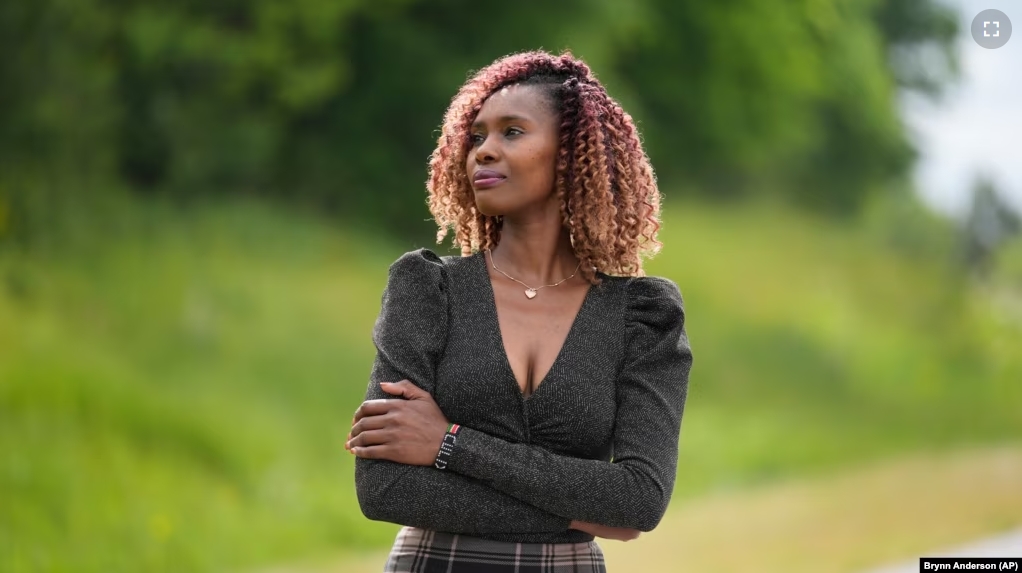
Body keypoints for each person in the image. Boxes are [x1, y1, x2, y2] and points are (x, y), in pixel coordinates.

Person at [345, 50, 693, 573]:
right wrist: (585, 511)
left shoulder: (641, 315)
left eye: (512, 132)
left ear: (573, 153)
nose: (483, 151)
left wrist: (448, 443)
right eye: (477, 136)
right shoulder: (427, 289)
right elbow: (384, 488)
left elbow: (640, 499)